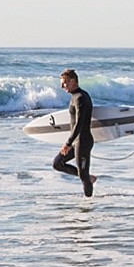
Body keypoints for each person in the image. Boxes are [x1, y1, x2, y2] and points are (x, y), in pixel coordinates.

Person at [53, 69, 96, 197]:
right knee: (57, 163)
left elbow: (79, 123)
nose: (62, 86)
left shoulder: (80, 98)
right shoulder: (75, 97)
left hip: (83, 141)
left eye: (64, 83)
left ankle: (88, 204)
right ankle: (89, 178)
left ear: (73, 81)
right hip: (77, 141)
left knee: (83, 176)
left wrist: (68, 143)